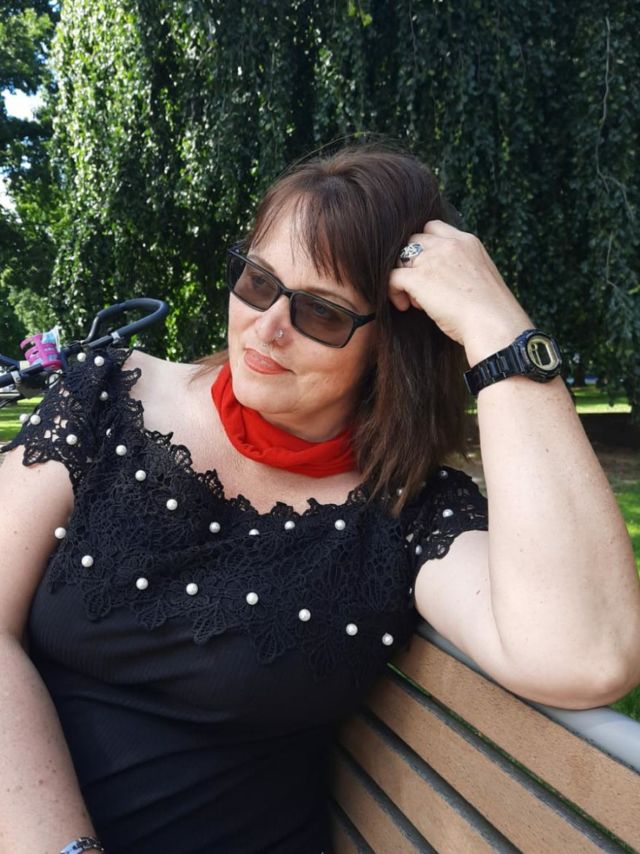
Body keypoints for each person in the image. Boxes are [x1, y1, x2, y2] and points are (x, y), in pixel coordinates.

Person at [1, 143, 639, 854]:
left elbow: (587, 653)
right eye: (258, 281)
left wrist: (497, 328)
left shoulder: (405, 514)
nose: (268, 326)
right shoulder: (109, 396)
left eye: (324, 314)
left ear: (389, 345)